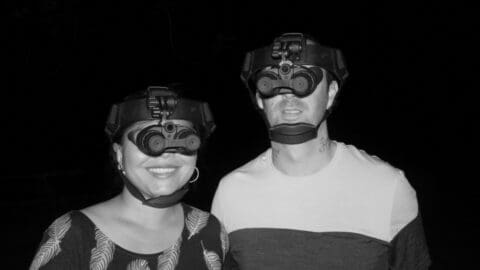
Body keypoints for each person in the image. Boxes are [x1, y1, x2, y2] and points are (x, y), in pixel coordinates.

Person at [211, 33, 431, 269]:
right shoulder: (231, 194)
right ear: (259, 99)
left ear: (331, 92)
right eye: (271, 80)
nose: (288, 93)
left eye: (304, 79)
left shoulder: (389, 188)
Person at [30, 86, 228, 270]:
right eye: (149, 140)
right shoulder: (71, 235)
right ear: (119, 154)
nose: (166, 154)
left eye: (184, 139)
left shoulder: (211, 230)